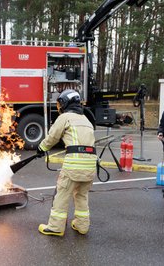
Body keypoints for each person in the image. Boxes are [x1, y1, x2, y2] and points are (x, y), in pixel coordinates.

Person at [36, 89, 97, 237]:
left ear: (64, 103)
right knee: (81, 195)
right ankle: (82, 226)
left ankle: (56, 227)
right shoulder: (86, 120)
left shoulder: (65, 117)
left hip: (74, 165)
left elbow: (53, 136)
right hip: (90, 165)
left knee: (62, 194)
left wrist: (41, 148)